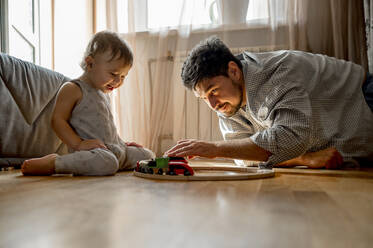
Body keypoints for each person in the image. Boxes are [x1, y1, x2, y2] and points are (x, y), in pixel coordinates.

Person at [165, 36, 373, 169]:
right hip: (343, 139)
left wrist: (215, 148)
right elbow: (246, 158)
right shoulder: (227, 103)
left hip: (364, 99)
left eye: (213, 91)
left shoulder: (277, 72)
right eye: (203, 98)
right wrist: (304, 158)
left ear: (234, 71)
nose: (212, 103)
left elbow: (289, 138)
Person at [22, 31, 154, 176]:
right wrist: (78, 144)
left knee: (147, 155)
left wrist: (121, 143)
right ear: (90, 63)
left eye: (123, 76)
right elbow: (57, 121)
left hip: (114, 149)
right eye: (114, 74)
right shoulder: (73, 88)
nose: (118, 82)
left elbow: (107, 128)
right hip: (92, 152)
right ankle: (55, 163)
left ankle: (118, 156)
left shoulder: (102, 93)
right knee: (106, 162)